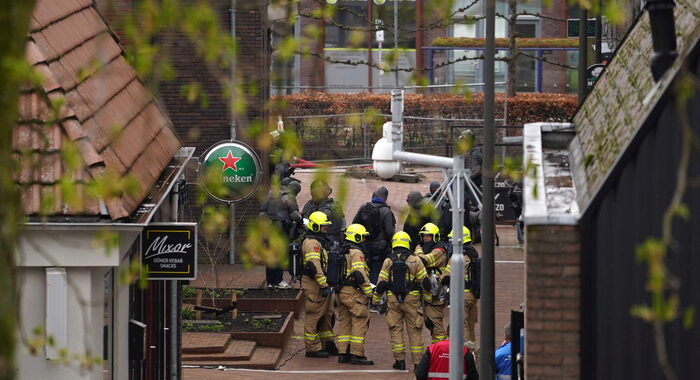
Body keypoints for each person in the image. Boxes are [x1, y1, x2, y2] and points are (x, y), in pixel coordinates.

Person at [373, 231, 432, 370]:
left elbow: (381, 283)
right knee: (415, 331)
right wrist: (428, 300)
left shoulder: (388, 261)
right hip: (412, 300)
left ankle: (399, 361)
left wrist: (376, 301)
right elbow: (425, 282)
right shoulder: (415, 260)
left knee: (395, 330)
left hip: (393, 300)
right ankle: (418, 363)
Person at [301, 211, 339, 358]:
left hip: (322, 284)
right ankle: (312, 348)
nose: (326, 228)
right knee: (314, 315)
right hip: (314, 285)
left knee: (327, 315)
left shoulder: (319, 241)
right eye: (323, 226)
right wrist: (324, 284)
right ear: (316, 226)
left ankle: (327, 342)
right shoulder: (311, 243)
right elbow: (314, 265)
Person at [336, 224, 374, 365]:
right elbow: (359, 273)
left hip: (341, 292)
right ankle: (357, 354)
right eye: (363, 236)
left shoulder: (342, 250)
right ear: (357, 236)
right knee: (359, 321)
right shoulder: (356, 252)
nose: (364, 239)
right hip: (354, 292)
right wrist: (368, 291)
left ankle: (343, 353)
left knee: (345, 323)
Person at [259, 179, 302, 288]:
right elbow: (294, 216)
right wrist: (301, 218)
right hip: (281, 230)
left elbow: (262, 213)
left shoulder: (270, 195)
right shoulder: (289, 197)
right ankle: (278, 281)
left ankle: (270, 282)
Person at [440, 226, 480, 342]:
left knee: (463, 326)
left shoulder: (457, 257)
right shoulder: (473, 254)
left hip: (462, 295)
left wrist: (439, 278)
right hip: (473, 295)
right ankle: (472, 353)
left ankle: (465, 353)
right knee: (470, 326)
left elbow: (445, 277)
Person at [352, 186, 395, 285]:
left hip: (364, 245)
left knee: (364, 268)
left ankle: (364, 289)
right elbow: (389, 232)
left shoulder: (364, 207)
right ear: (385, 198)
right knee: (377, 271)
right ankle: (373, 292)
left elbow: (355, 223)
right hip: (380, 248)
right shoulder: (387, 212)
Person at [415, 223, 449, 344]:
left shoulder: (438, 251)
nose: (424, 239)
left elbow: (422, 261)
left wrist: (418, 249)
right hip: (426, 291)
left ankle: (440, 348)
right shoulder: (425, 248)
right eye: (423, 236)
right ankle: (437, 347)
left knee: (435, 321)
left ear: (434, 237)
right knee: (429, 321)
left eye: (428, 236)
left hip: (436, 291)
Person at [302, 180, 346, 244]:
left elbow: (341, 227)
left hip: (327, 241)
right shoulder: (311, 204)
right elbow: (305, 218)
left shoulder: (330, 208)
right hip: (317, 238)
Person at [414, 338, 479, 380]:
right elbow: (473, 377)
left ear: (446, 332)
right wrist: (473, 361)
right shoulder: (465, 351)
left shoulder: (433, 348)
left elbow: (420, 374)